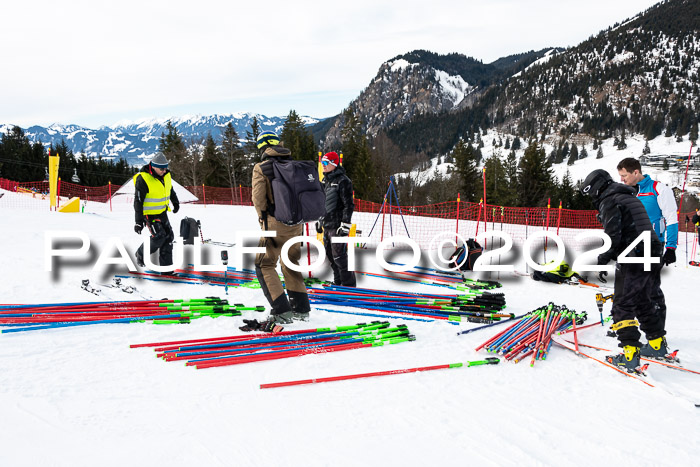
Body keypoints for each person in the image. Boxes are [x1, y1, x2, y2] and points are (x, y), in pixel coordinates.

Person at [580, 169, 672, 372]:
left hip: (635, 255)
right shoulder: (626, 195)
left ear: (596, 188)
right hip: (651, 250)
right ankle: (657, 343)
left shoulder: (610, 200)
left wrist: (602, 260)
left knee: (622, 305)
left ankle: (629, 354)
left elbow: (613, 235)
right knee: (643, 300)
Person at [250, 131, 311, 327]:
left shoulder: (262, 168)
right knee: (290, 262)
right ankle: (301, 309)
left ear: (262, 147)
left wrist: (262, 219)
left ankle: (282, 311)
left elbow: (258, 199)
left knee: (264, 264)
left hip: (274, 225)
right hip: (297, 225)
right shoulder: (293, 165)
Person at [617, 157, 676, 332]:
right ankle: (627, 325)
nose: (622, 179)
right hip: (631, 246)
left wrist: (671, 247)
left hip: (652, 246)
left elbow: (671, 219)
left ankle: (656, 335)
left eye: (624, 175)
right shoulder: (627, 192)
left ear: (636, 172)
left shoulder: (659, 189)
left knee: (650, 290)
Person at [134, 153, 180, 274]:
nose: (164, 171)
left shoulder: (166, 175)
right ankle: (141, 253)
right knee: (159, 237)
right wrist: (138, 222)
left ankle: (166, 269)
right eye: (162, 169)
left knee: (169, 237)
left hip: (162, 212)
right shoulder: (143, 179)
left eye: (166, 168)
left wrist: (175, 202)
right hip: (149, 214)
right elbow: (138, 201)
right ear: (153, 167)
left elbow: (170, 189)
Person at [316, 151, 356, 287]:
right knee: (330, 256)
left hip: (337, 225)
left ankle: (348, 285)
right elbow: (322, 203)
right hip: (327, 224)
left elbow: (348, 205)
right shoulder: (325, 181)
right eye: (322, 163)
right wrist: (319, 220)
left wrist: (345, 224)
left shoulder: (343, 181)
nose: (324, 166)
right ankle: (338, 282)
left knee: (340, 256)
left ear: (334, 163)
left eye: (326, 163)